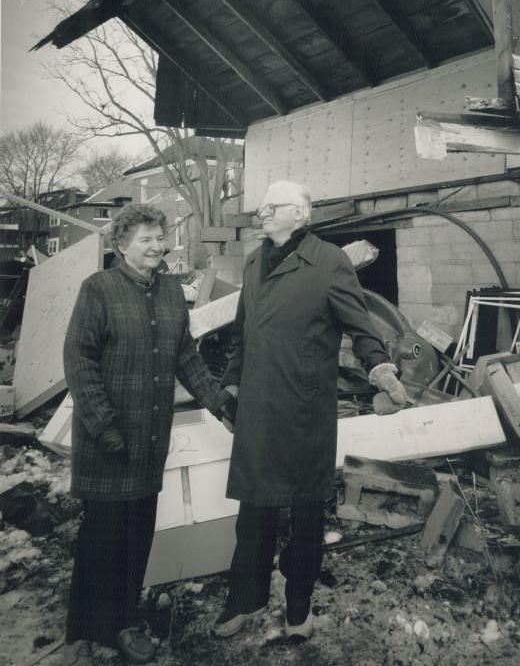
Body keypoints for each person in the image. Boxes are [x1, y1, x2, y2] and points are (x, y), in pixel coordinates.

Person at [213, 180, 407, 641]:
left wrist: (378, 366)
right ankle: (246, 601)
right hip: (258, 411)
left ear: (300, 215)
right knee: (252, 517)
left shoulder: (329, 261)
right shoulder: (256, 260)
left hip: (303, 412)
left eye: (271, 206)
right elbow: (242, 334)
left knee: (305, 519)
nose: (262, 213)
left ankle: (298, 610)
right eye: (261, 207)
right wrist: (232, 383)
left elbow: (360, 326)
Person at [62, 203, 236, 666]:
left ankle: (124, 622)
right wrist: (104, 426)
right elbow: (79, 363)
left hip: (149, 442)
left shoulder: (172, 293)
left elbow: (187, 359)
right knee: (101, 536)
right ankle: (82, 630)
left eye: (160, 237)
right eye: (146, 239)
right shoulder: (98, 290)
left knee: (137, 536)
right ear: (121, 245)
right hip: (108, 442)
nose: (158, 245)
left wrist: (221, 403)